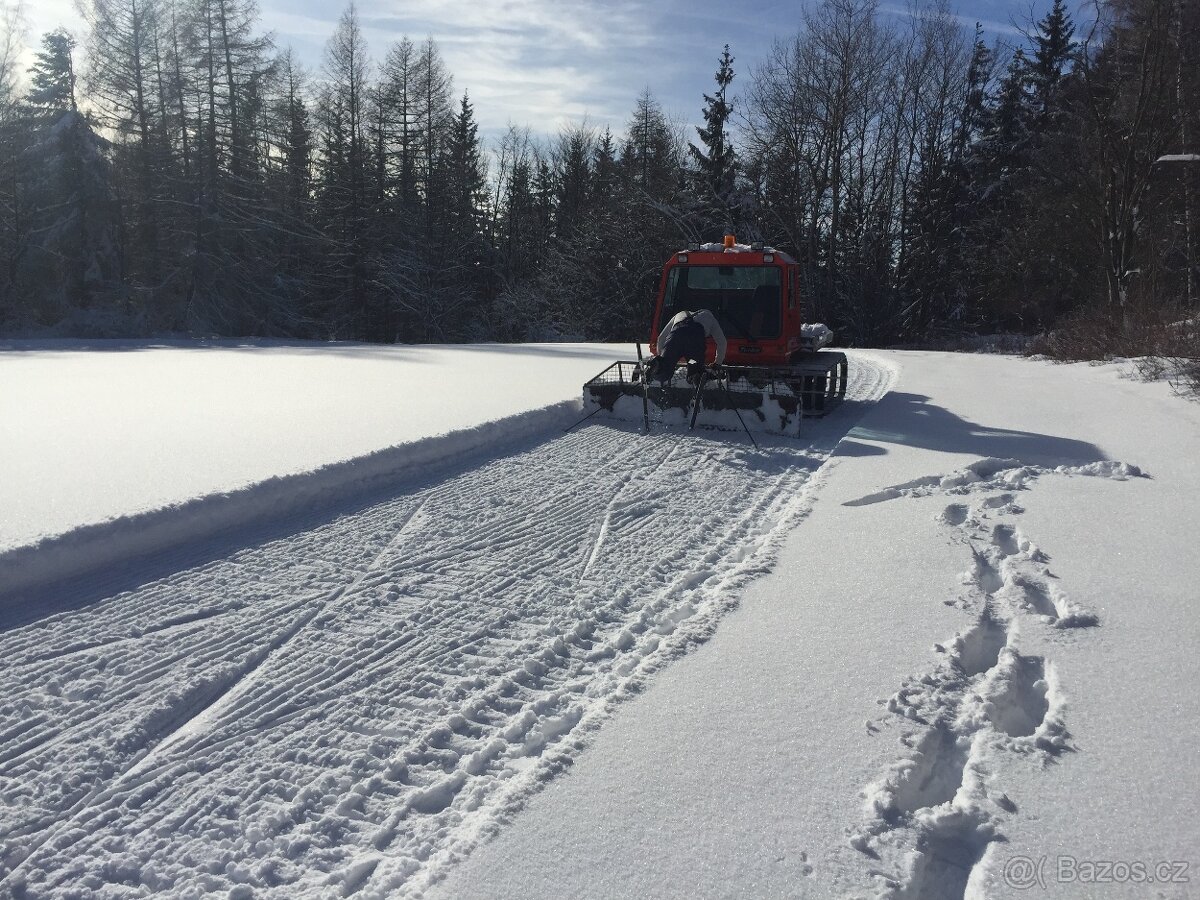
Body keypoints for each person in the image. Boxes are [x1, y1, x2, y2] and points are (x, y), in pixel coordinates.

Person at [645, 309, 727, 384]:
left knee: (665, 366)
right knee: (694, 365)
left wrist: (661, 356)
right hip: (694, 340)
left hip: (676, 337)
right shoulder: (710, 317)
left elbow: (661, 338)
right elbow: (722, 342)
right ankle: (694, 375)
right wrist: (717, 363)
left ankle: (657, 365)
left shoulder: (680, 314)